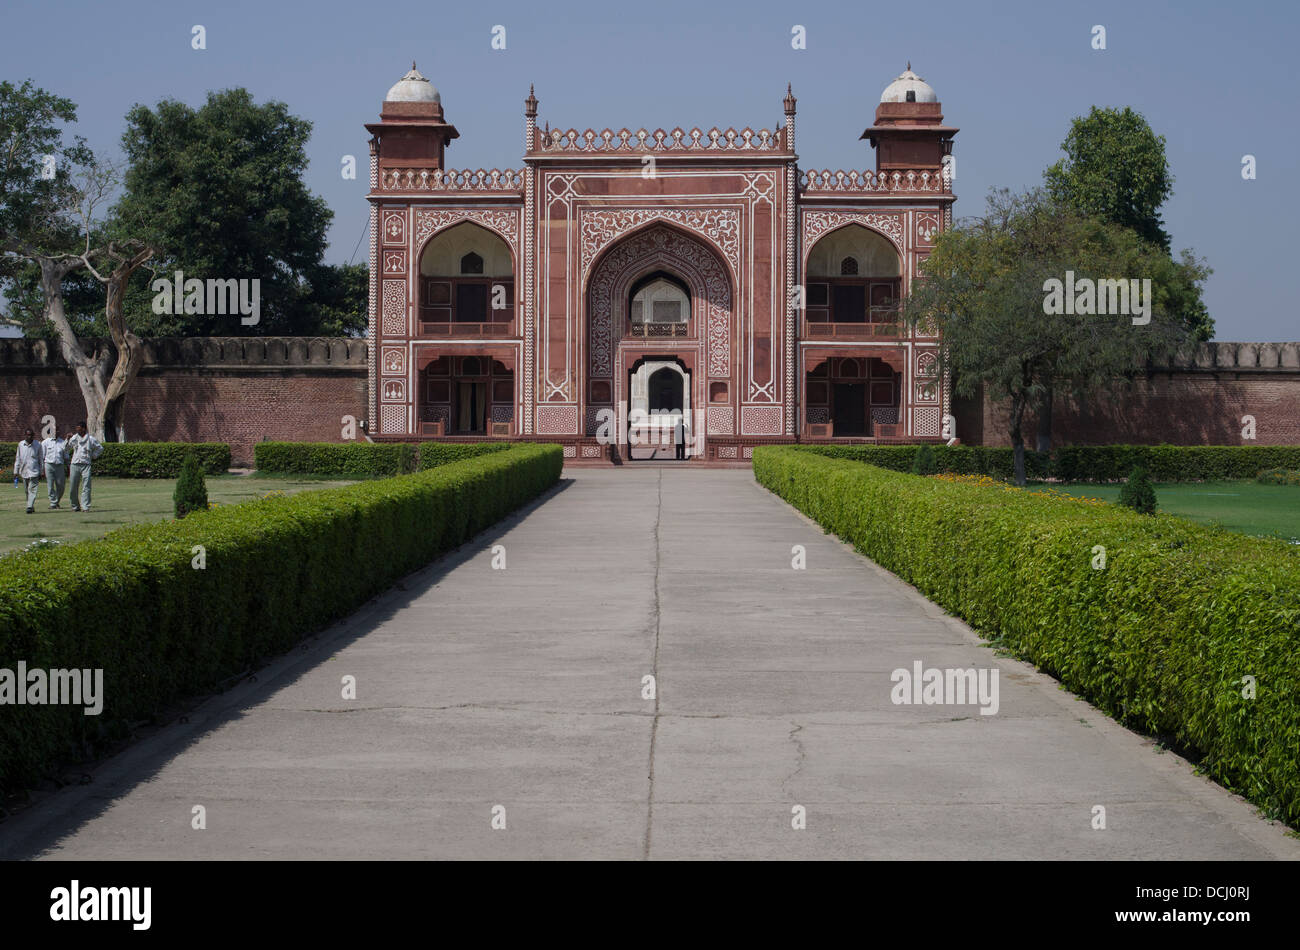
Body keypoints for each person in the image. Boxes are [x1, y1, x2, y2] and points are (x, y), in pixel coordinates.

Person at [66, 421, 103, 513]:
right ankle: (75, 506)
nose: (77, 429)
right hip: (75, 464)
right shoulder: (74, 438)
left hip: (86, 464)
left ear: (83, 428)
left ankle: (85, 506)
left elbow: (100, 448)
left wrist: (93, 456)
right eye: (76, 428)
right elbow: (66, 449)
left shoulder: (90, 439)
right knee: (73, 486)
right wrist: (67, 439)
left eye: (79, 428)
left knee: (86, 486)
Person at [12, 429, 43, 514]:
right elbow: (18, 458)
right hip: (24, 471)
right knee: (27, 491)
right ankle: (31, 505)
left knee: (32, 489)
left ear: (33, 435)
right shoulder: (21, 445)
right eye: (28, 435)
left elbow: (40, 459)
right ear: (25, 435)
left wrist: (41, 471)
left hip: (34, 471)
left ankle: (29, 507)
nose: (29, 437)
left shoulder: (38, 444)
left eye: (31, 435)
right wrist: (16, 471)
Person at [40, 429, 68, 509]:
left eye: (57, 431)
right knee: (50, 485)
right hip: (49, 465)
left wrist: (68, 466)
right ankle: (53, 503)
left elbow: (66, 456)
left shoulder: (62, 442)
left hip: (59, 465)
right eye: (54, 431)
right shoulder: (45, 442)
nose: (56, 432)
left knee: (61, 486)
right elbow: (42, 457)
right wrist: (42, 469)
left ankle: (56, 501)